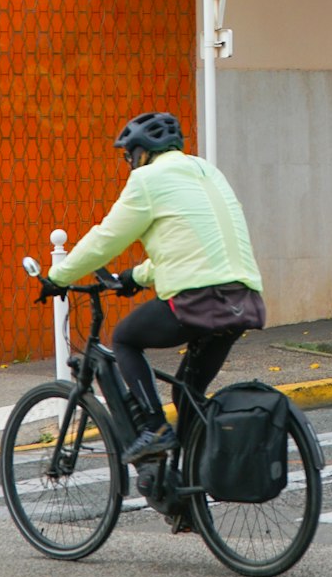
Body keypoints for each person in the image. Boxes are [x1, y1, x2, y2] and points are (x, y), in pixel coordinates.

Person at [38, 111, 265, 464]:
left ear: (142, 152)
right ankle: (191, 497)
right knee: (188, 394)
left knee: (125, 337)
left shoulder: (148, 179)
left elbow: (105, 238)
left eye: (129, 155)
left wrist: (58, 277)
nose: (129, 163)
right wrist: (136, 277)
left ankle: (154, 429)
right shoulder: (209, 173)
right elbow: (195, 249)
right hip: (244, 300)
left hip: (200, 299)